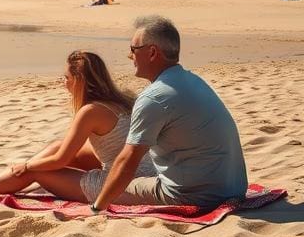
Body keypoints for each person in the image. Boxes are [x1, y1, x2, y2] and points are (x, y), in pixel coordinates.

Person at [0, 51, 157, 203]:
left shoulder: (91, 111)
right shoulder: (125, 99)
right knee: (56, 147)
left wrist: (27, 165)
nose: (63, 83)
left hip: (120, 186)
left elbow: (60, 161)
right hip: (147, 172)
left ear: (79, 81)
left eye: (66, 78)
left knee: (37, 171)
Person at [90, 16, 248, 212]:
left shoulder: (154, 97)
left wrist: (98, 207)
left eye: (133, 49)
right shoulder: (193, 80)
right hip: (234, 189)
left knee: (100, 185)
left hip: (196, 197)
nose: (129, 56)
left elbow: (128, 161)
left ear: (152, 52)